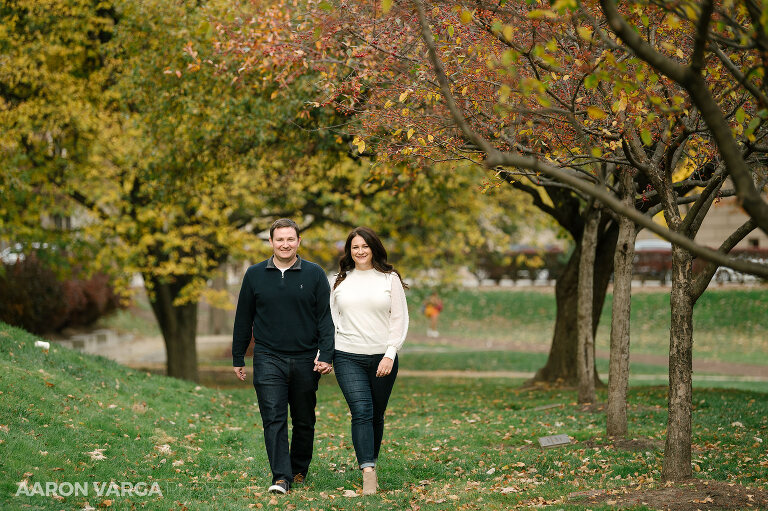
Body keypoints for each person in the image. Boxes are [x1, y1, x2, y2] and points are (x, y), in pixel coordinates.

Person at [232, 218, 334, 495]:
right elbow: (244, 318)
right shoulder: (254, 274)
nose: (285, 244)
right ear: (271, 242)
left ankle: (298, 469)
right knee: (273, 417)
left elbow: (325, 318)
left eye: (290, 239)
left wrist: (326, 354)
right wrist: (238, 356)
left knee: (303, 419)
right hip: (267, 357)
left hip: (306, 359)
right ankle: (280, 477)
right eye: (280, 239)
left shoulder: (315, 274)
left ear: (299, 242)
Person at [330, 226, 409, 495]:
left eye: (365, 246)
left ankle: (370, 463)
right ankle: (368, 472)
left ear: (374, 248)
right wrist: (325, 354)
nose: (360, 251)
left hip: (381, 356)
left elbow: (399, 319)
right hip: (347, 354)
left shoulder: (389, 279)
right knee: (361, 410)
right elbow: (331, 321)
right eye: (355, 247)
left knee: (376, 414)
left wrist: (390, 353)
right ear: (349, 251)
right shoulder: (339, 280)